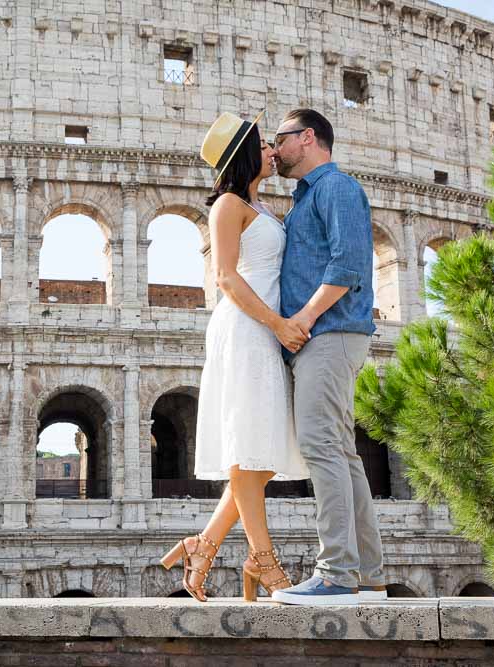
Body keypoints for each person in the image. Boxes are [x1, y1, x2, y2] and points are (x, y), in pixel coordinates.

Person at [160, 111, 311, 602]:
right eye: (264, 144)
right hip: (247, 328)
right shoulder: (226, 204)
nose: (273, 150)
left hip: (265, 327)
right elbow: (225, 277)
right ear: (246, 153)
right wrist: (277, 324)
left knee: (259, 458)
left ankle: (203, 545)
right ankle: (262, 558)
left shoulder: (260, 206)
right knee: (249, 451)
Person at [269, 109, 386, 606]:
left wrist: (304, 320)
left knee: (320, 445)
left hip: (330, 332)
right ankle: (370, 575)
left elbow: (349, 264)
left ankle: (337, 573)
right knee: (341, 452)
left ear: (308, 137)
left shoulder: (336, 188)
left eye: (280, 140)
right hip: (327, 334)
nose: (274, 151)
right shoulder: (308, 198)